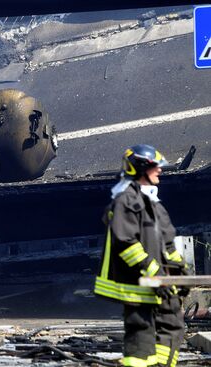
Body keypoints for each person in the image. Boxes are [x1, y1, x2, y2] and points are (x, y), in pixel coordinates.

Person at [94, 144, 189, 367]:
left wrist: (181, 274)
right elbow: (126, 243)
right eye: (156, 166)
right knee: (141, 334)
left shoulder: (154, 205)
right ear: (141, 168)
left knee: (173, 325)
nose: (161, 170)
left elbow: (168, 246)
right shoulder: (125, 201)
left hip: (159, 283)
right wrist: (154, 271)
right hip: (137, 284)